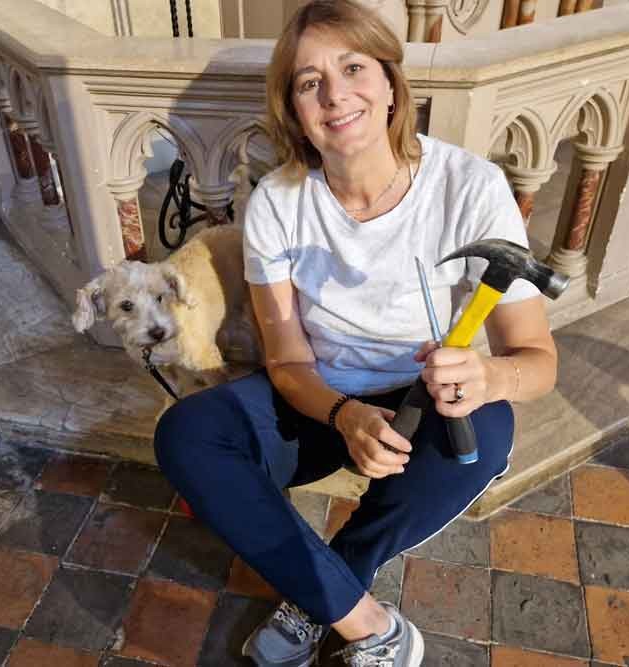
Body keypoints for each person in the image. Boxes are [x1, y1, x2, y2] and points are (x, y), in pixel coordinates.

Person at [154, 1, 558, 664]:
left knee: (485, 435)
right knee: (188, 435)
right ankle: (371, 624)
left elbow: (538, 361)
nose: (336, 94)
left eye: (353, 67)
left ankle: (326, 585)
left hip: (418, 401)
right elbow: (285, 360)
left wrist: (490, 376)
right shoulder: (278, 203)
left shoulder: (472, 188)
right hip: (317, 395)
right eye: (310, 82)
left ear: (391, 83)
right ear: (294, 108)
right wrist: (343, 416)